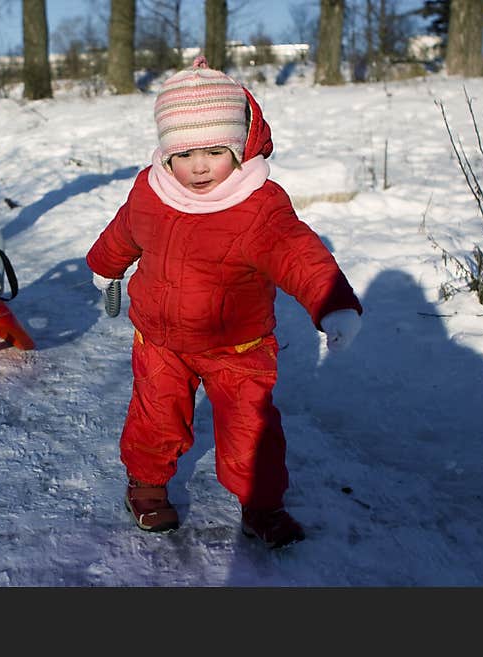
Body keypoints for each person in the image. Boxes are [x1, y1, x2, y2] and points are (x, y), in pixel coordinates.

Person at [86, 56, 363, 549]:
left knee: (250, 427)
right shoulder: (150, 193)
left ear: (238, 149)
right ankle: (147, 485)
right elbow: (125, 231)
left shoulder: (258, 204)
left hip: (239, 345)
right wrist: (105, 265)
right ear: (166, 152)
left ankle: (262, 504)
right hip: (160, 342)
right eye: (184, 152)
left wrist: (332, 302)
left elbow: (299, 253)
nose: (197, 166)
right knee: (156, 416)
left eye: (214, 151)